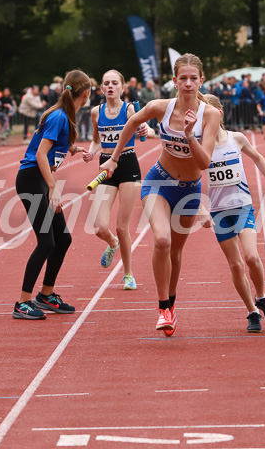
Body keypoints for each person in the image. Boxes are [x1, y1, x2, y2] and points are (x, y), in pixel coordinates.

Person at [100, 53, 221, 336]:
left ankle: (172, 302)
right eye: (183, 78)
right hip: (158, 182)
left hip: (190, 190)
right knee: (162, 240)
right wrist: (115, 158)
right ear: (175, 81)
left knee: (176, 253)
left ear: (201, 81)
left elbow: (204, 164)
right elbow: (131, 124)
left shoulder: (211, 115)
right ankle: (162, 307)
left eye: (194, 79)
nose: (188, 84)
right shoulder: (160, 107)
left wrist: (191, 135)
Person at [199, 95, 265, 332]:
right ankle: (252, 312)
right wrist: (201, 207)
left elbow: (258, 159)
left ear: (219, 114)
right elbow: (190, 178)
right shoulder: (200, 145)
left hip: (242, 206)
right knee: (235, 265)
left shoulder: (236, 139)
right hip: (218, 212)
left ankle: (262, 296)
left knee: (251, 257)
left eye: (210, 112)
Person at [12, 70, 90, 320]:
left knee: (63, 239)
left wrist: (74, 149)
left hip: (39, 181)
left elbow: (54, 144)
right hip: (32, 180)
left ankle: (45, 295)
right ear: (86, 93)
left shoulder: (64, 114)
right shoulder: (59, 116)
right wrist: (54, 189)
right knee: (47, 242)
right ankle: (22, 302)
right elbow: (40, 154)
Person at [81, 70, 148, 291]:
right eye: (106, 83)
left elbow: (143, 130)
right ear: (101, 88)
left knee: (122, 226)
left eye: (115, 83)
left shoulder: (130, 109)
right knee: (100, 227)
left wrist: (146, 128)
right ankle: (112, 244)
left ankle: (128, 274)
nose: (110, 86)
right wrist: (91, 152)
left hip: (128, 165)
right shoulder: (95, 112)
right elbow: (95, 140)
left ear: (122, 88)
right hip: (105, 167)